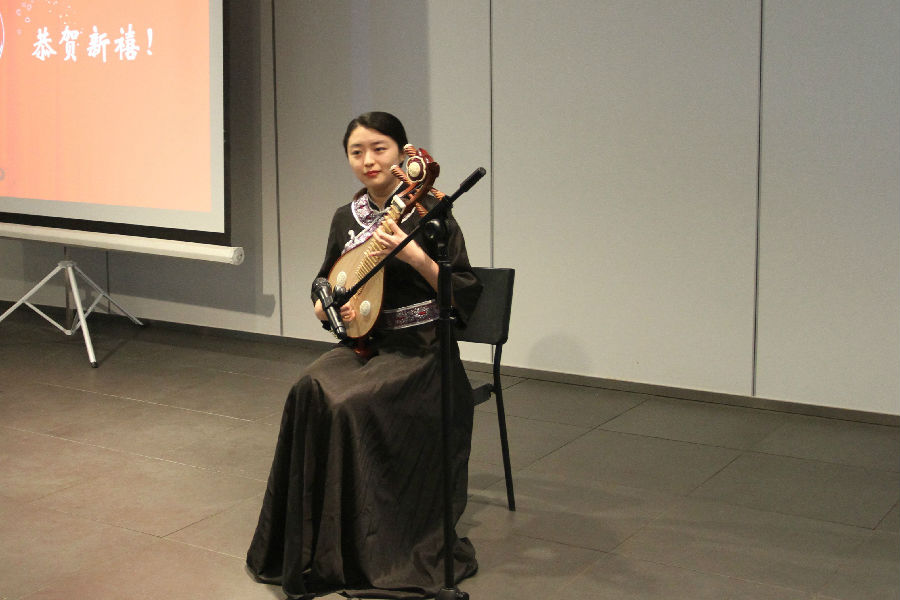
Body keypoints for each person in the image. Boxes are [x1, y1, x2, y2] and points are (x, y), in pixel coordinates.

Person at [246, 111, 482, 599]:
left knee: (350, 404)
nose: (368, 160)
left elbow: (465, 292)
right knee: (309, 389)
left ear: (402, 154)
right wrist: (332, 306)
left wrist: (416, 257)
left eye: (379, 148)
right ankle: (318, 546)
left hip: (422, 350)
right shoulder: (345, 217)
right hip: (364, 342)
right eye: (357, 152)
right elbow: (326, 283)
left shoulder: (431, 211)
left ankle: (375, 546)